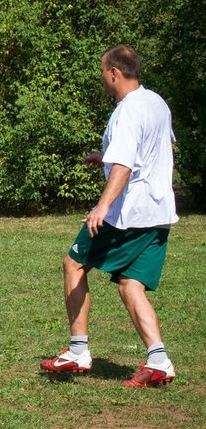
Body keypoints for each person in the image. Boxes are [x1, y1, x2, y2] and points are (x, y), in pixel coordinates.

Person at [41, 44, 179, 388]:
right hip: (159, 213)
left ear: (114, 72)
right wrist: (104, 156)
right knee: (131, 285)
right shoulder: (156, 103)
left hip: (127, 215)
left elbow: (127, 164)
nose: (102, 78)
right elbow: (144, 151)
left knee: (73, 263)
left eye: (103, 72)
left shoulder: (127, 110)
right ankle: (159, 361)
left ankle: (77, 350)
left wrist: (102, 206)